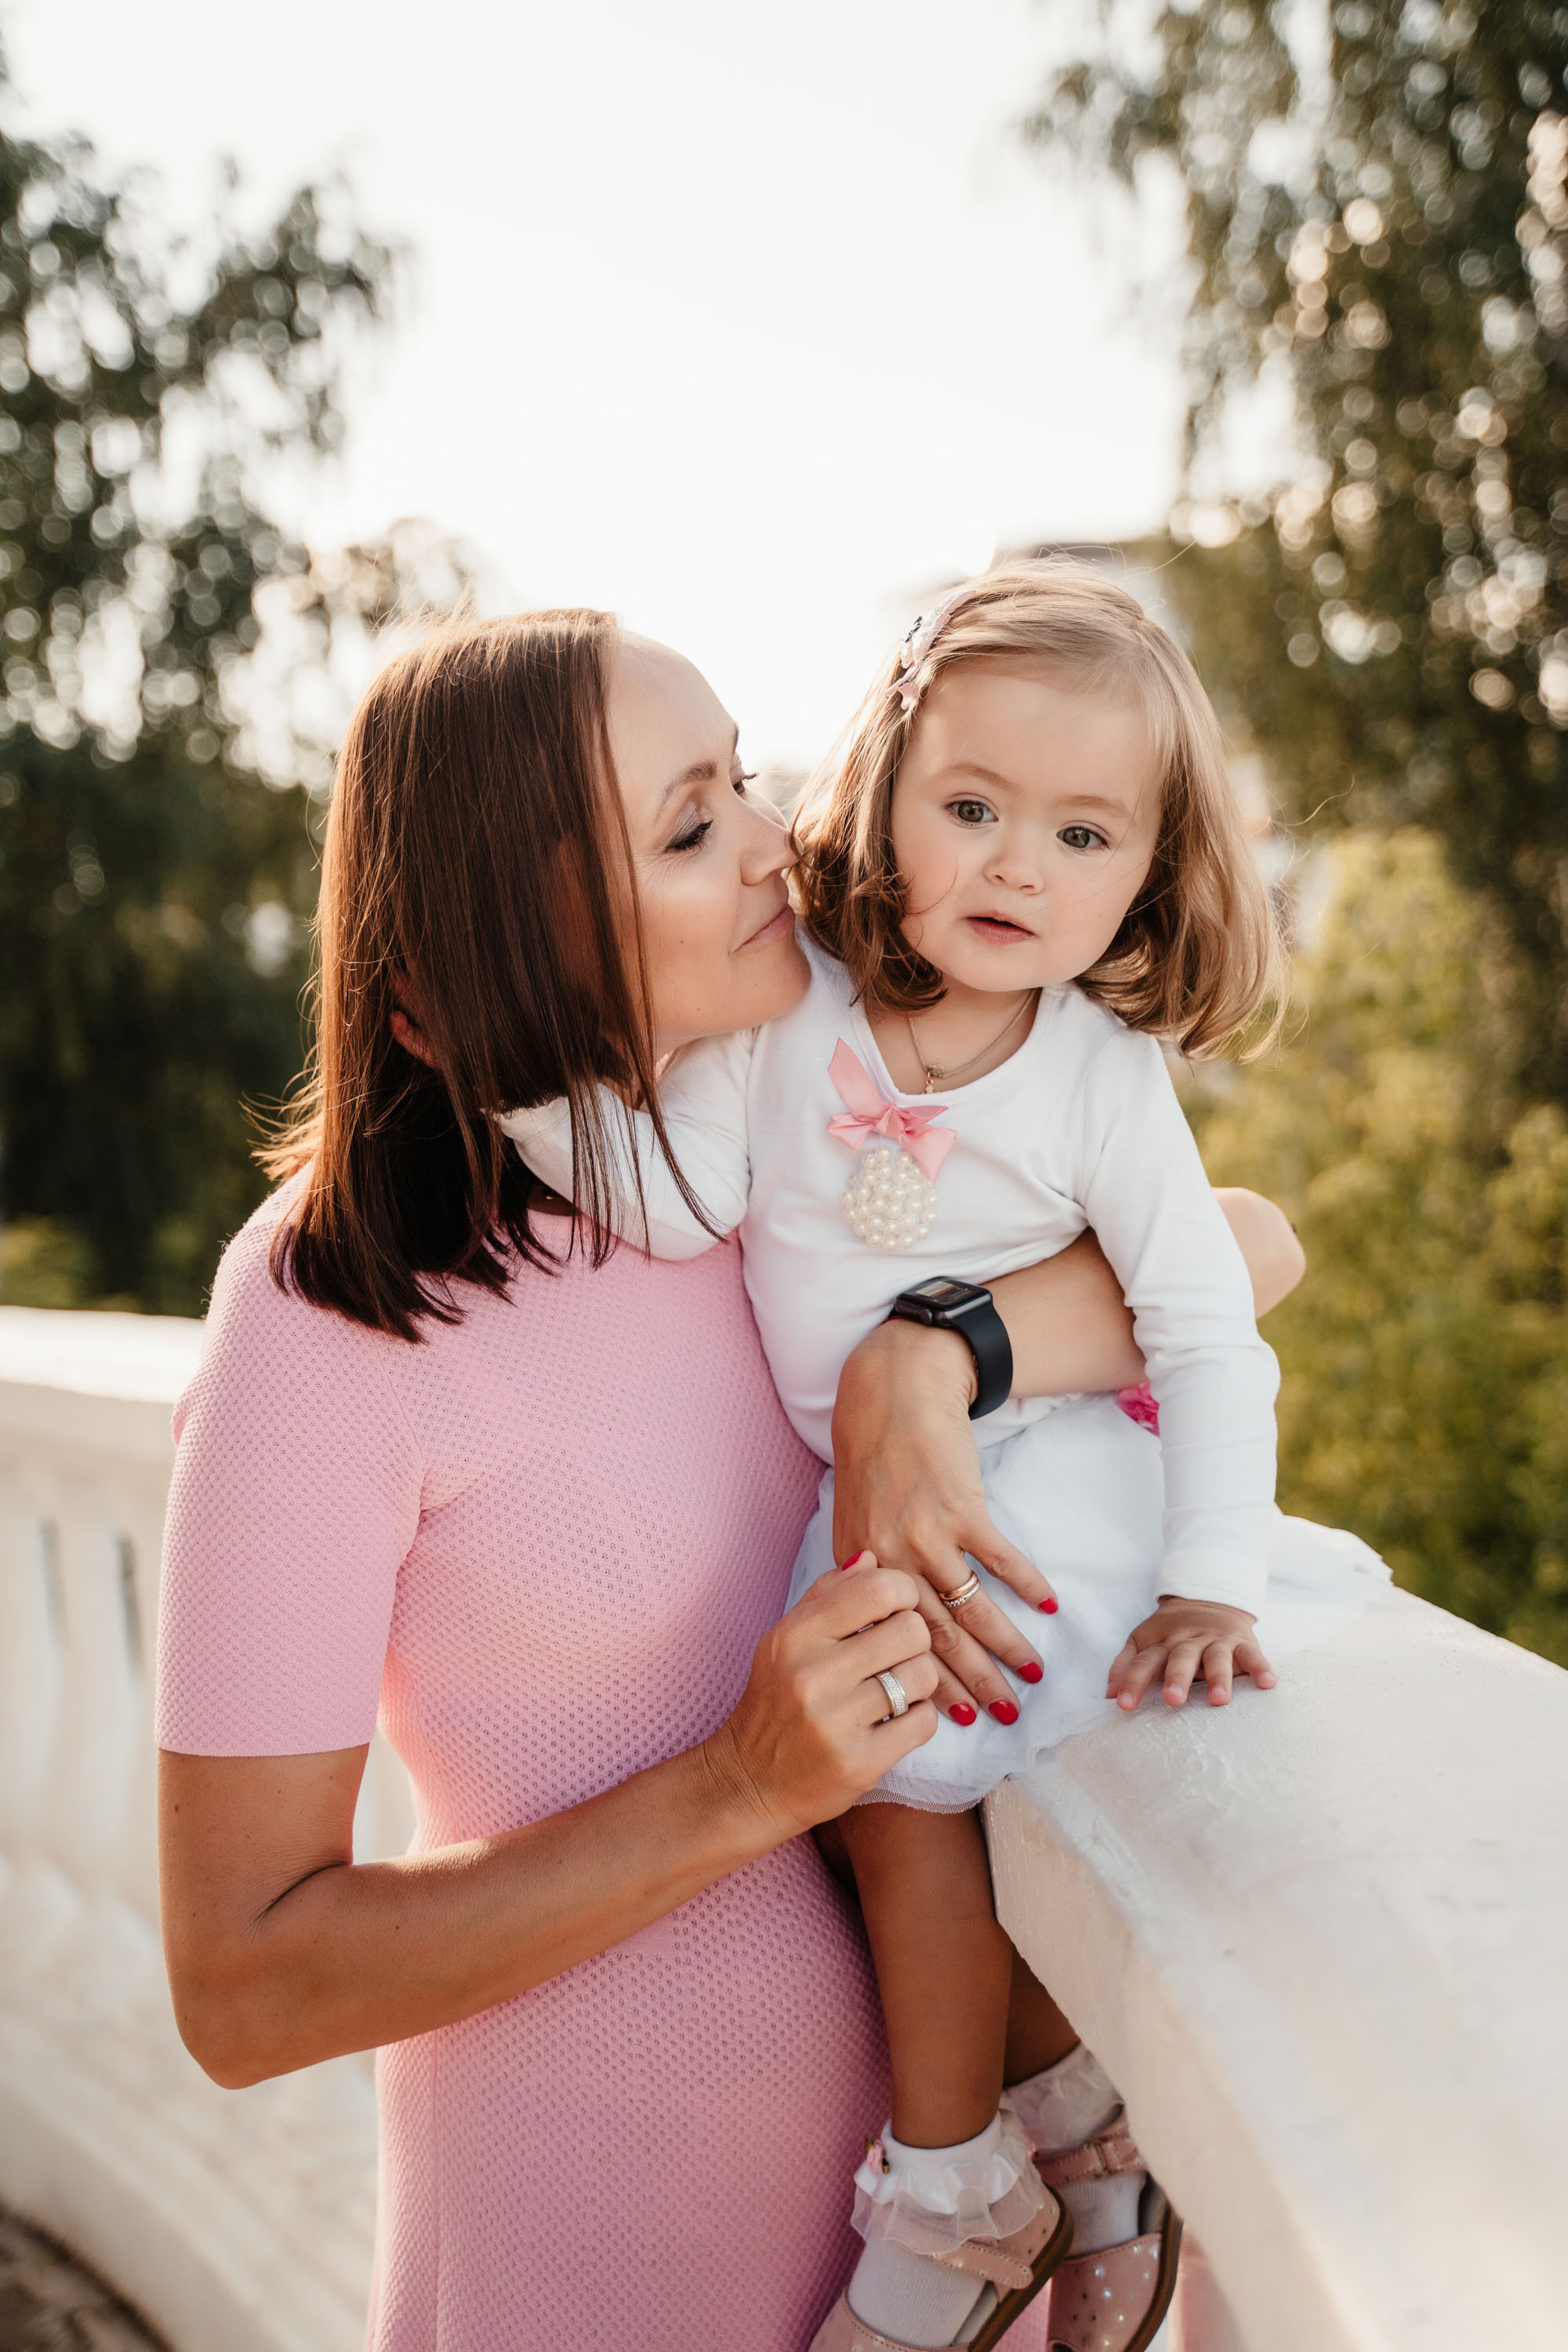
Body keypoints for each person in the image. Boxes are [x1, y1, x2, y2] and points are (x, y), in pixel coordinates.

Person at [155, 605, 1305, 2352]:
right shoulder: (327, 1318)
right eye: (690, 827)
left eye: (741, 783)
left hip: (926, 2271)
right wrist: (736, 1789)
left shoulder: (767, 1169)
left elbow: (1244, 1250)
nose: (781, 840)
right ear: (485, 965)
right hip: (589, 2255)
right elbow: (242, 1986)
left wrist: (925, 1358)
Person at [506, 567, 1388, 2352]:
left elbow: (1208, 1322)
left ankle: (949, 2187)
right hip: (873, 1504)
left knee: (905, 1794)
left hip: (1044, 1478)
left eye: (1080, 834)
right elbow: (677, 1187)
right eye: (970, 808)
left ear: (1144, 872)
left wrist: (1213, 1574)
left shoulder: (1098, 1077)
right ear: (888, 788)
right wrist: (502, 1089)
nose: (1013, 867)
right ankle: (1054, 2142)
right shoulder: (797, 1014)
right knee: (890, 1812)